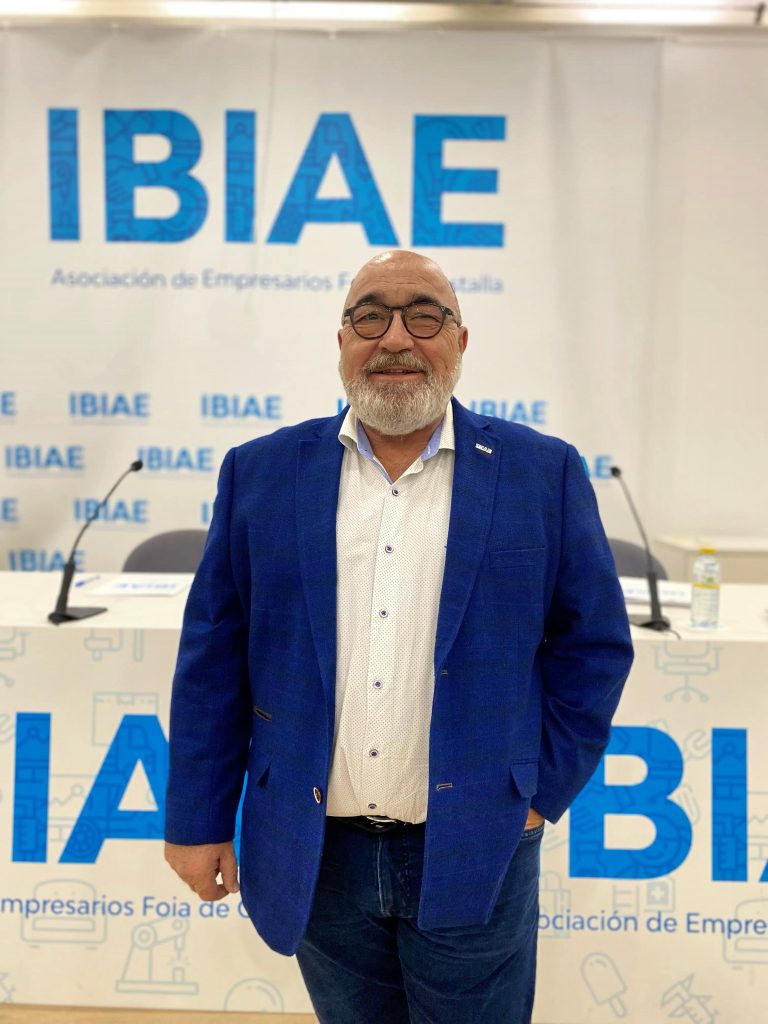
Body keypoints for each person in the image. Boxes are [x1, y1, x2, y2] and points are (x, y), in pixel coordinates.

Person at [164, 249, 634, 1023]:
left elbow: (594, 647)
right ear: (342, 340)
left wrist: (536, 793)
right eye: (370, 317)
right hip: (315, 851)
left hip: (477, 840)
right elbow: (213, 660)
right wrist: (197, 819)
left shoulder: (541, 473)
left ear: (460, 340)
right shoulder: (261, 472)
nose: (395, 338)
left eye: (423, 316)